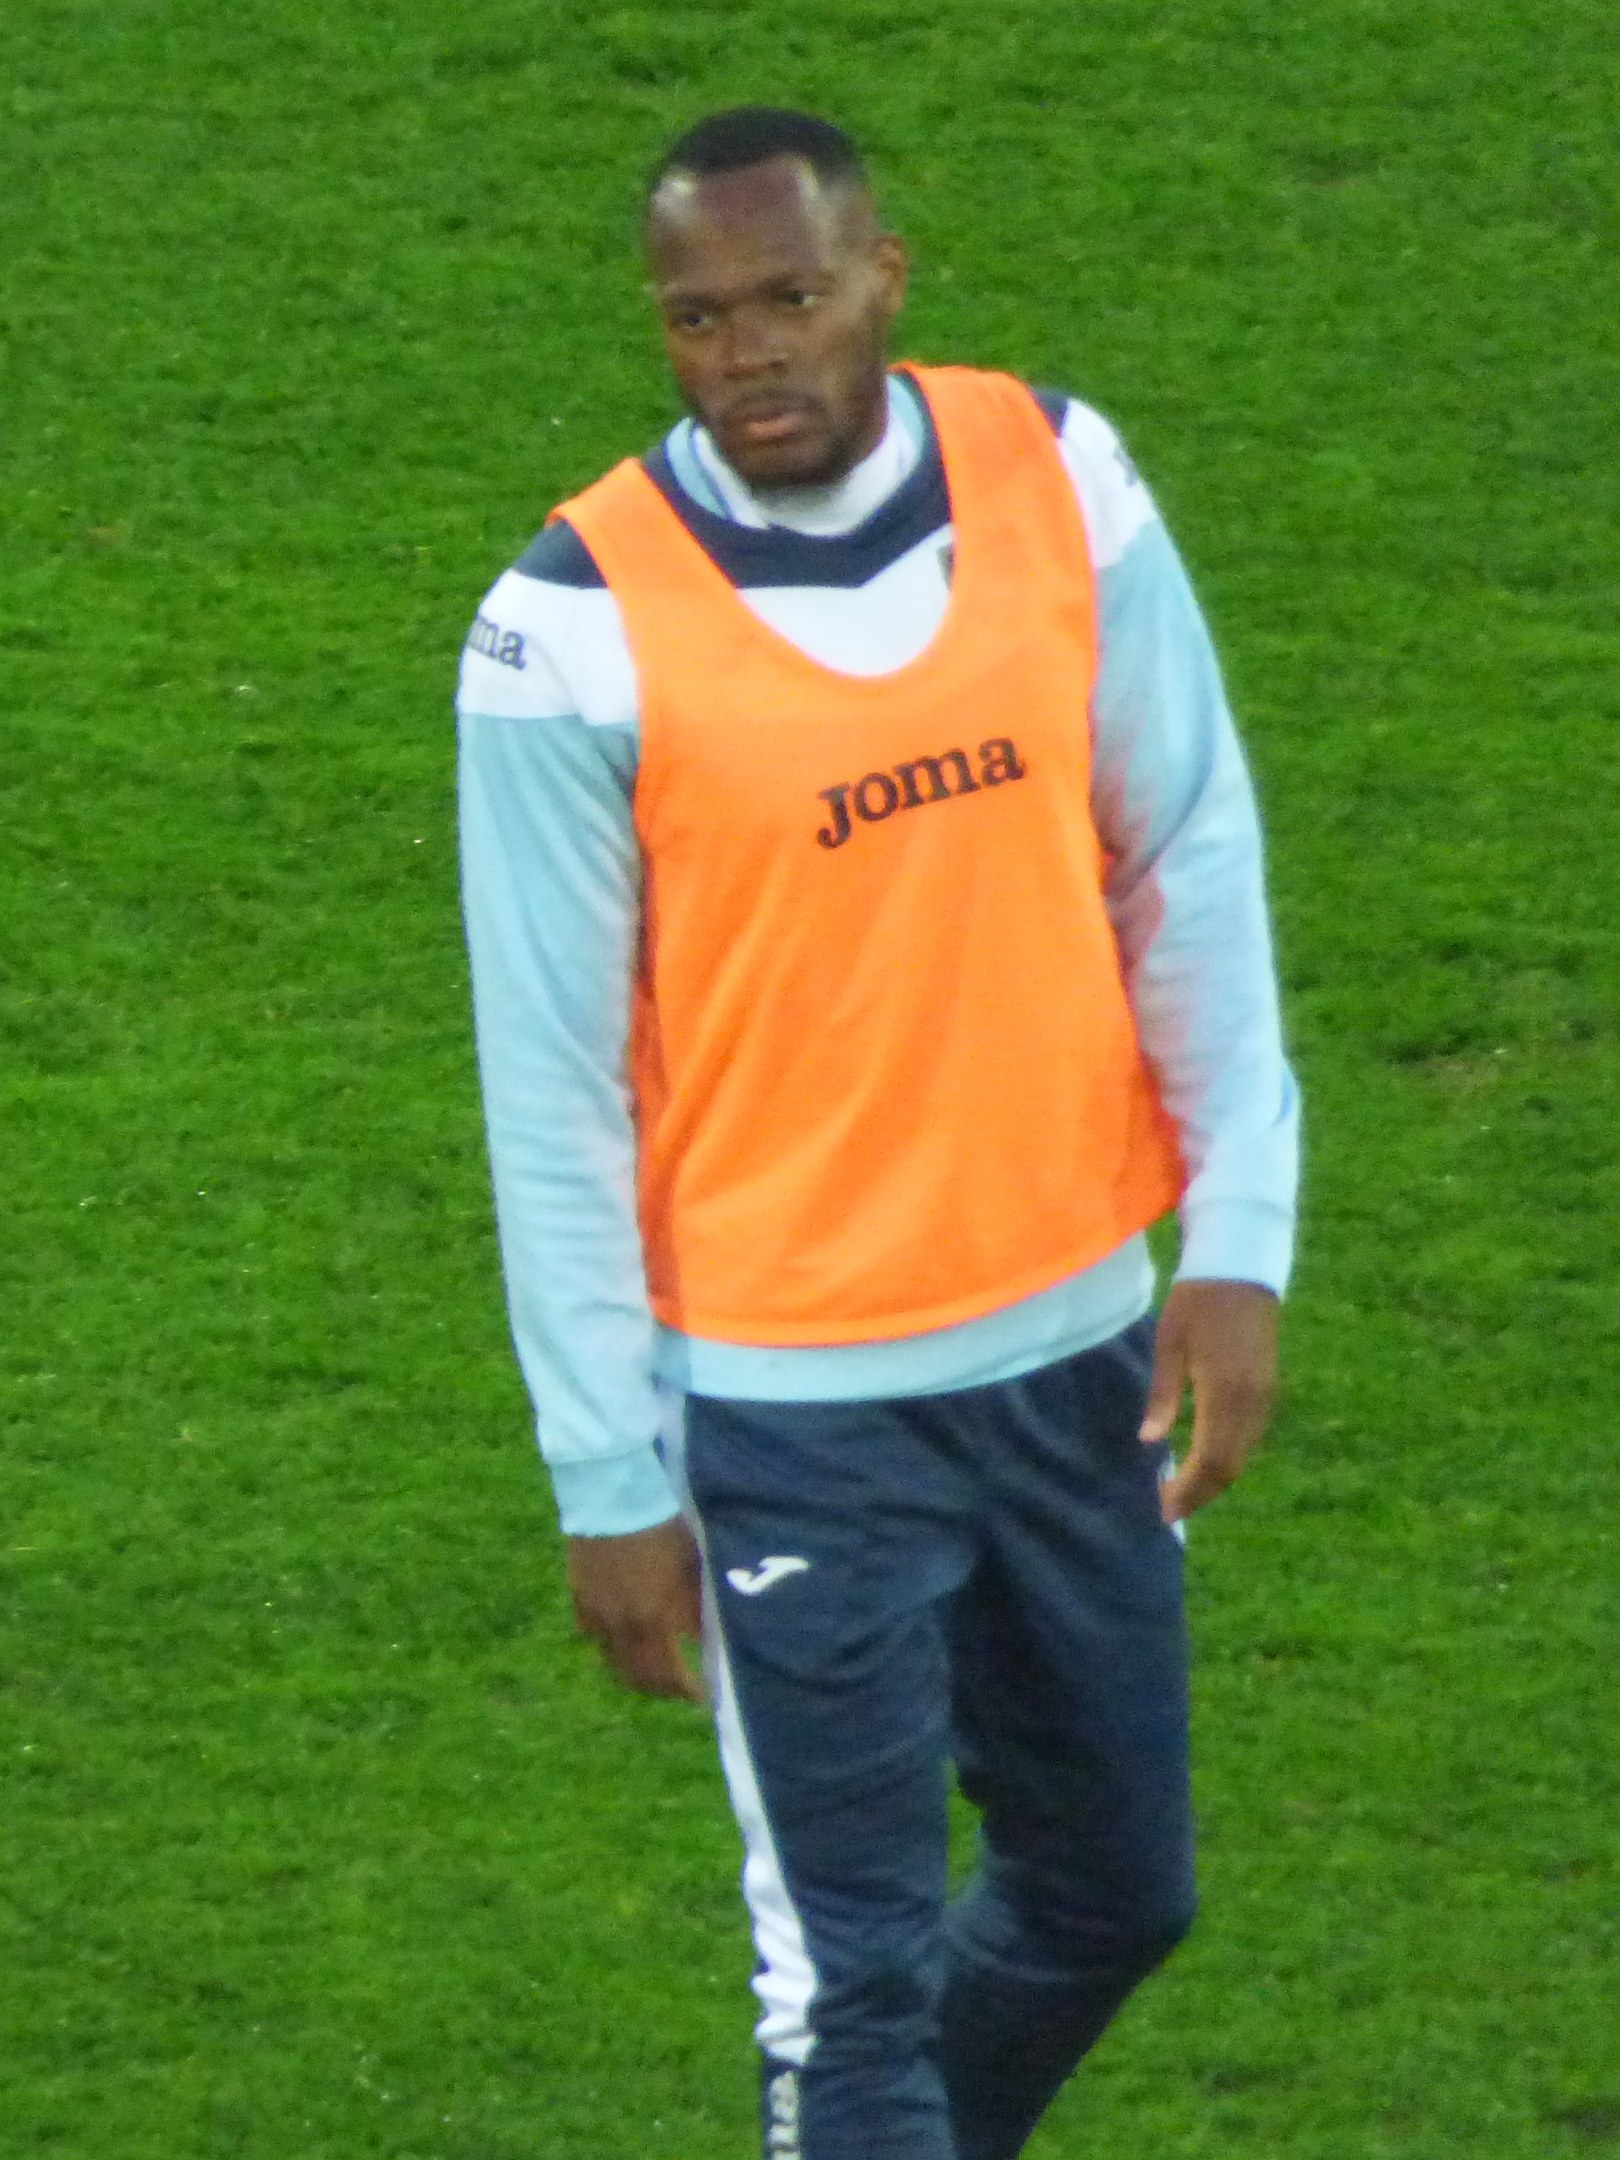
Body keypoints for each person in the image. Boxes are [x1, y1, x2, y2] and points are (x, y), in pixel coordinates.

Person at [457, 105, 1299, 2160]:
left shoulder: (1056, 475)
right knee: (850, 1996)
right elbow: (549, 1088)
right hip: (787, 1413)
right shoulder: (566, 627)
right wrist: (602, 1465)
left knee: (1118, 1891)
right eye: (696, 319)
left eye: (788, 300)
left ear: (884, 279)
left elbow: (1181, 842)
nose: (746, 355)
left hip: (1081, 1354)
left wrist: (1242, 1236)